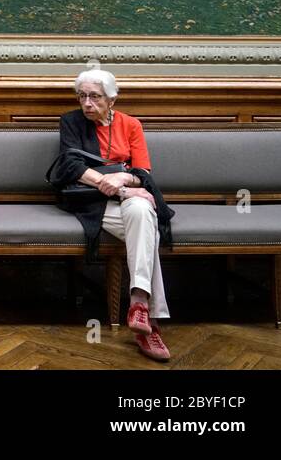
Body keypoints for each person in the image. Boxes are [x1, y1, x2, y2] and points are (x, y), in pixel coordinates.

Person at [54, 69, 174, 362]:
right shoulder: (71, 122)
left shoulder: (131, 125)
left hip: (129, 202)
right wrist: (118, 187)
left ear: (112, 99)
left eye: (94, 97)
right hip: (92, 203)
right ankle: (147, 321)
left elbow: (143, 173)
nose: (87, 103)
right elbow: (70, 167)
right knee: (147, 223)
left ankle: (139, 305)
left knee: (143, 211)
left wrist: (124, 182)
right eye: (82, 96)